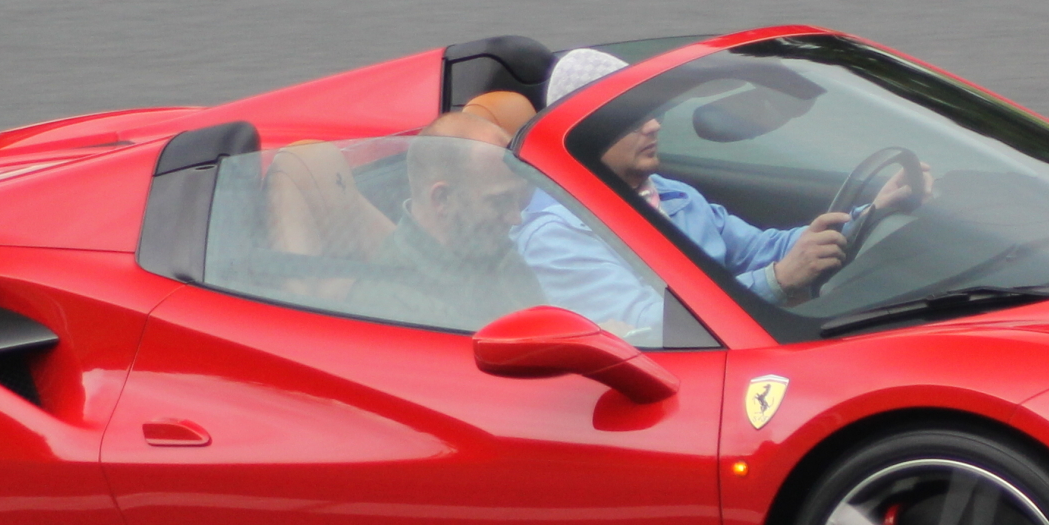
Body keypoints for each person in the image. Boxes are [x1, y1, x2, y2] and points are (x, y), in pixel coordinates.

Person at [517, 51, 925, 324]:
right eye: (629, 119)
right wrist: (778, 281)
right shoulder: (556, 233)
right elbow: (646, 326)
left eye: (650, 113)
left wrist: (872, 212)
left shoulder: (671, 194)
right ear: (581, 136)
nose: (655, 125)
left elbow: (761, 249)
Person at [345, 114, 545, 331]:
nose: (515, 218)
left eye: (518, 198)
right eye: (499, 201)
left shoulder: (494, 254)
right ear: (443, 199)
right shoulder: (391, 304)